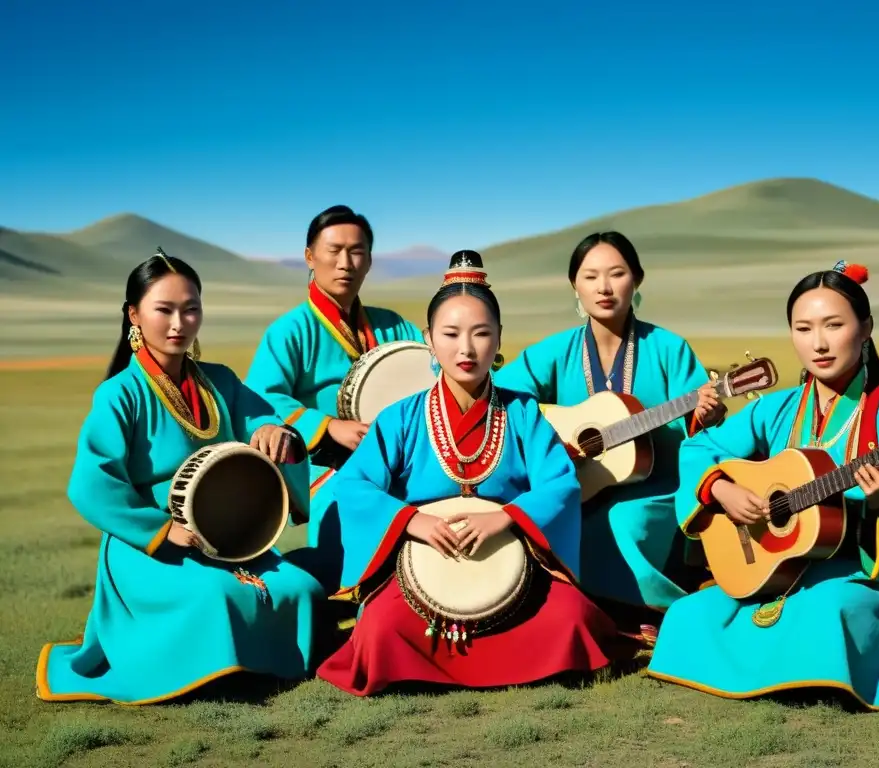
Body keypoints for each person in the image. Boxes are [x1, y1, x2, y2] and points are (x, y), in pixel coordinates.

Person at [647, 260, 879, 709]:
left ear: (865, 329)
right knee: (689, 615)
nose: (819, 343)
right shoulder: (777, 408)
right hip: (779, 570)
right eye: (803, 329)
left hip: (867, 579)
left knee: (830, 612)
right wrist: (720, 489)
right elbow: (699, 448)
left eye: (834, 325)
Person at [315, 250, 624, 696]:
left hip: (512, 559)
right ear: (429, 339)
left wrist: (506, 518)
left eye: (481, 333)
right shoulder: (400, 417)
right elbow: (355, 484)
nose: (466, 349)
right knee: (381, 628)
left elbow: (560, 483)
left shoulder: (523, 413)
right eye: (451, 333)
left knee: (574, 618)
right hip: (421, 560)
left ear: (499, 338)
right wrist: (411, 521)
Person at [35, 250, 325, 706]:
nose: (179, 323)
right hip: (150, 548)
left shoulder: (221, 381)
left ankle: (257, 664)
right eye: (164, 310)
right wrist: (162, 530)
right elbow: (90, 484)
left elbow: (268, 422)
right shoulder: (118, 395)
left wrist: (276, 431)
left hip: (227, 536)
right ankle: (220, 670)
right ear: (134, 314)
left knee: (300, 588)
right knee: (215, 594)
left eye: (190, 309)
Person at [494, 231, 722, 628]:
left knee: (623, 521)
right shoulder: (556, 350)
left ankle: (644, 611)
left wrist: (706, 412)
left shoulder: (669, 347)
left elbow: (701, 427)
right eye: (590, 276)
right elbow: (504, 398)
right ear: (574, 286)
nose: (603, 287)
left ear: (637, 280)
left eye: (616, 274)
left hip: (657, 485)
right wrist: (549, 443)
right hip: (578, 483)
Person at [244, 206, 422, 586]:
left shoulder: (395, 325)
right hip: (331, 469)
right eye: (334, 250)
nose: (346, 262)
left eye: (357, 251)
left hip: (405, 461)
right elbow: (259, 399)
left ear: (370, 260)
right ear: (310, 257)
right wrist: (328, 426)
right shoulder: (290, 331)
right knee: (349, 537)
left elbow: (432, 372)